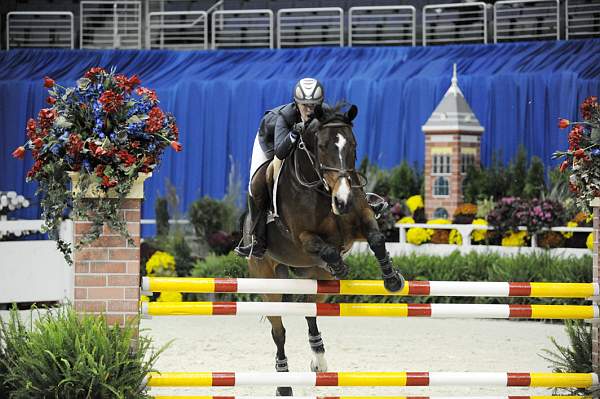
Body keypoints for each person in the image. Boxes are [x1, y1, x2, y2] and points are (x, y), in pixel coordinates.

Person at [234, 77, 327, 258]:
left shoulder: (326, 113)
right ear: (296, 103)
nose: (309, 109)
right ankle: (258, 241)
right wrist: (294, 132)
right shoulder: (285, 117)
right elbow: (280, 152)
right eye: (304, 105)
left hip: (299, 147)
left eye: (314, 105)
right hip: (270, 144)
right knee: (259, 183)